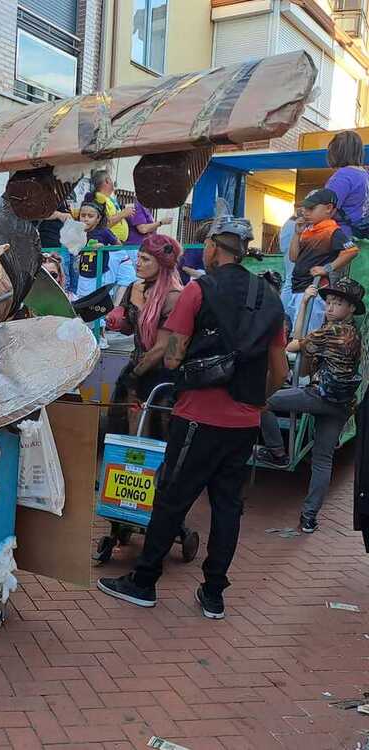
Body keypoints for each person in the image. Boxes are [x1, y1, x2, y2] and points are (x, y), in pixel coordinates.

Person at [98, 216, 288, 620]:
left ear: (215, 248)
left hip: (197, 416)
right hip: (244, 423)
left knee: (171, 498)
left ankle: (144, 582)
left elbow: (171, 356)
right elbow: (281, 373)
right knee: (227, 506)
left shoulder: (199, 290)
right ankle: (214, 593)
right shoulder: (269, 297)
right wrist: (256, 402)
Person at [255, 279, 364, 533]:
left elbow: (293, 344)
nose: (330, 307)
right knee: (322, 460)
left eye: (338, 303)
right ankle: (309, 517)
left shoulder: (332, 332)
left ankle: (277, 452)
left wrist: (303, 304)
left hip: (319, 397)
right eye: (329, 302)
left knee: (259, 402)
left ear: (350, 309)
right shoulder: (353, 333)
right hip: (342, 404)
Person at [105, 234, 184, 435]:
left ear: (163, 263)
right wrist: (118, 320)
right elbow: (129, 329)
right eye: (138, 257)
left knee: (149, 436)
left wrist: (134, 376)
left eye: (145, 259)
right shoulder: (135, 286)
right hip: (136, 366)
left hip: (159, 375)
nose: (137, 263)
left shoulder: (173, 296)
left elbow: (162, 346)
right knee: (121, 435)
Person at [286, 188, 359, 333]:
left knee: (306, 335)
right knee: (298, 332)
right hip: (299, 288)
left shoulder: (331, 230)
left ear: (328, 208)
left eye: (311, 208)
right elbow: (293, 257)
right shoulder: (308, 230)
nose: (306, 212)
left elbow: (352, 251)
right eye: (305, 208)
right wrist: (296, 234)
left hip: (314, 290)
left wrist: (327, 268)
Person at [325, 130, 369, 240]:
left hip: (340, 238)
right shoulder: (364, 175)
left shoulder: (343, 176)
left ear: (335, 152)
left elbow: (325, 209)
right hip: (360, 239)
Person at [75, 201, 124, 298]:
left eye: (90, 216)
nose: (86, 219)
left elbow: (119, 246)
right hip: (83, 275)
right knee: (82, 302)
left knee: (100, 303)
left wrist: (104, 247)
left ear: (98, 218)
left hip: (101, 275)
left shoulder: (104, 231)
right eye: (83, 215)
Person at [89, 169, 135, 244]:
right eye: (111, 180)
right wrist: (123, 214)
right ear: (107, 181)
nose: (113, 183)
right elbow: (101, 224)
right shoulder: (99, 199)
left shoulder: (108, 198)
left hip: (116, 243)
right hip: (109, 244)